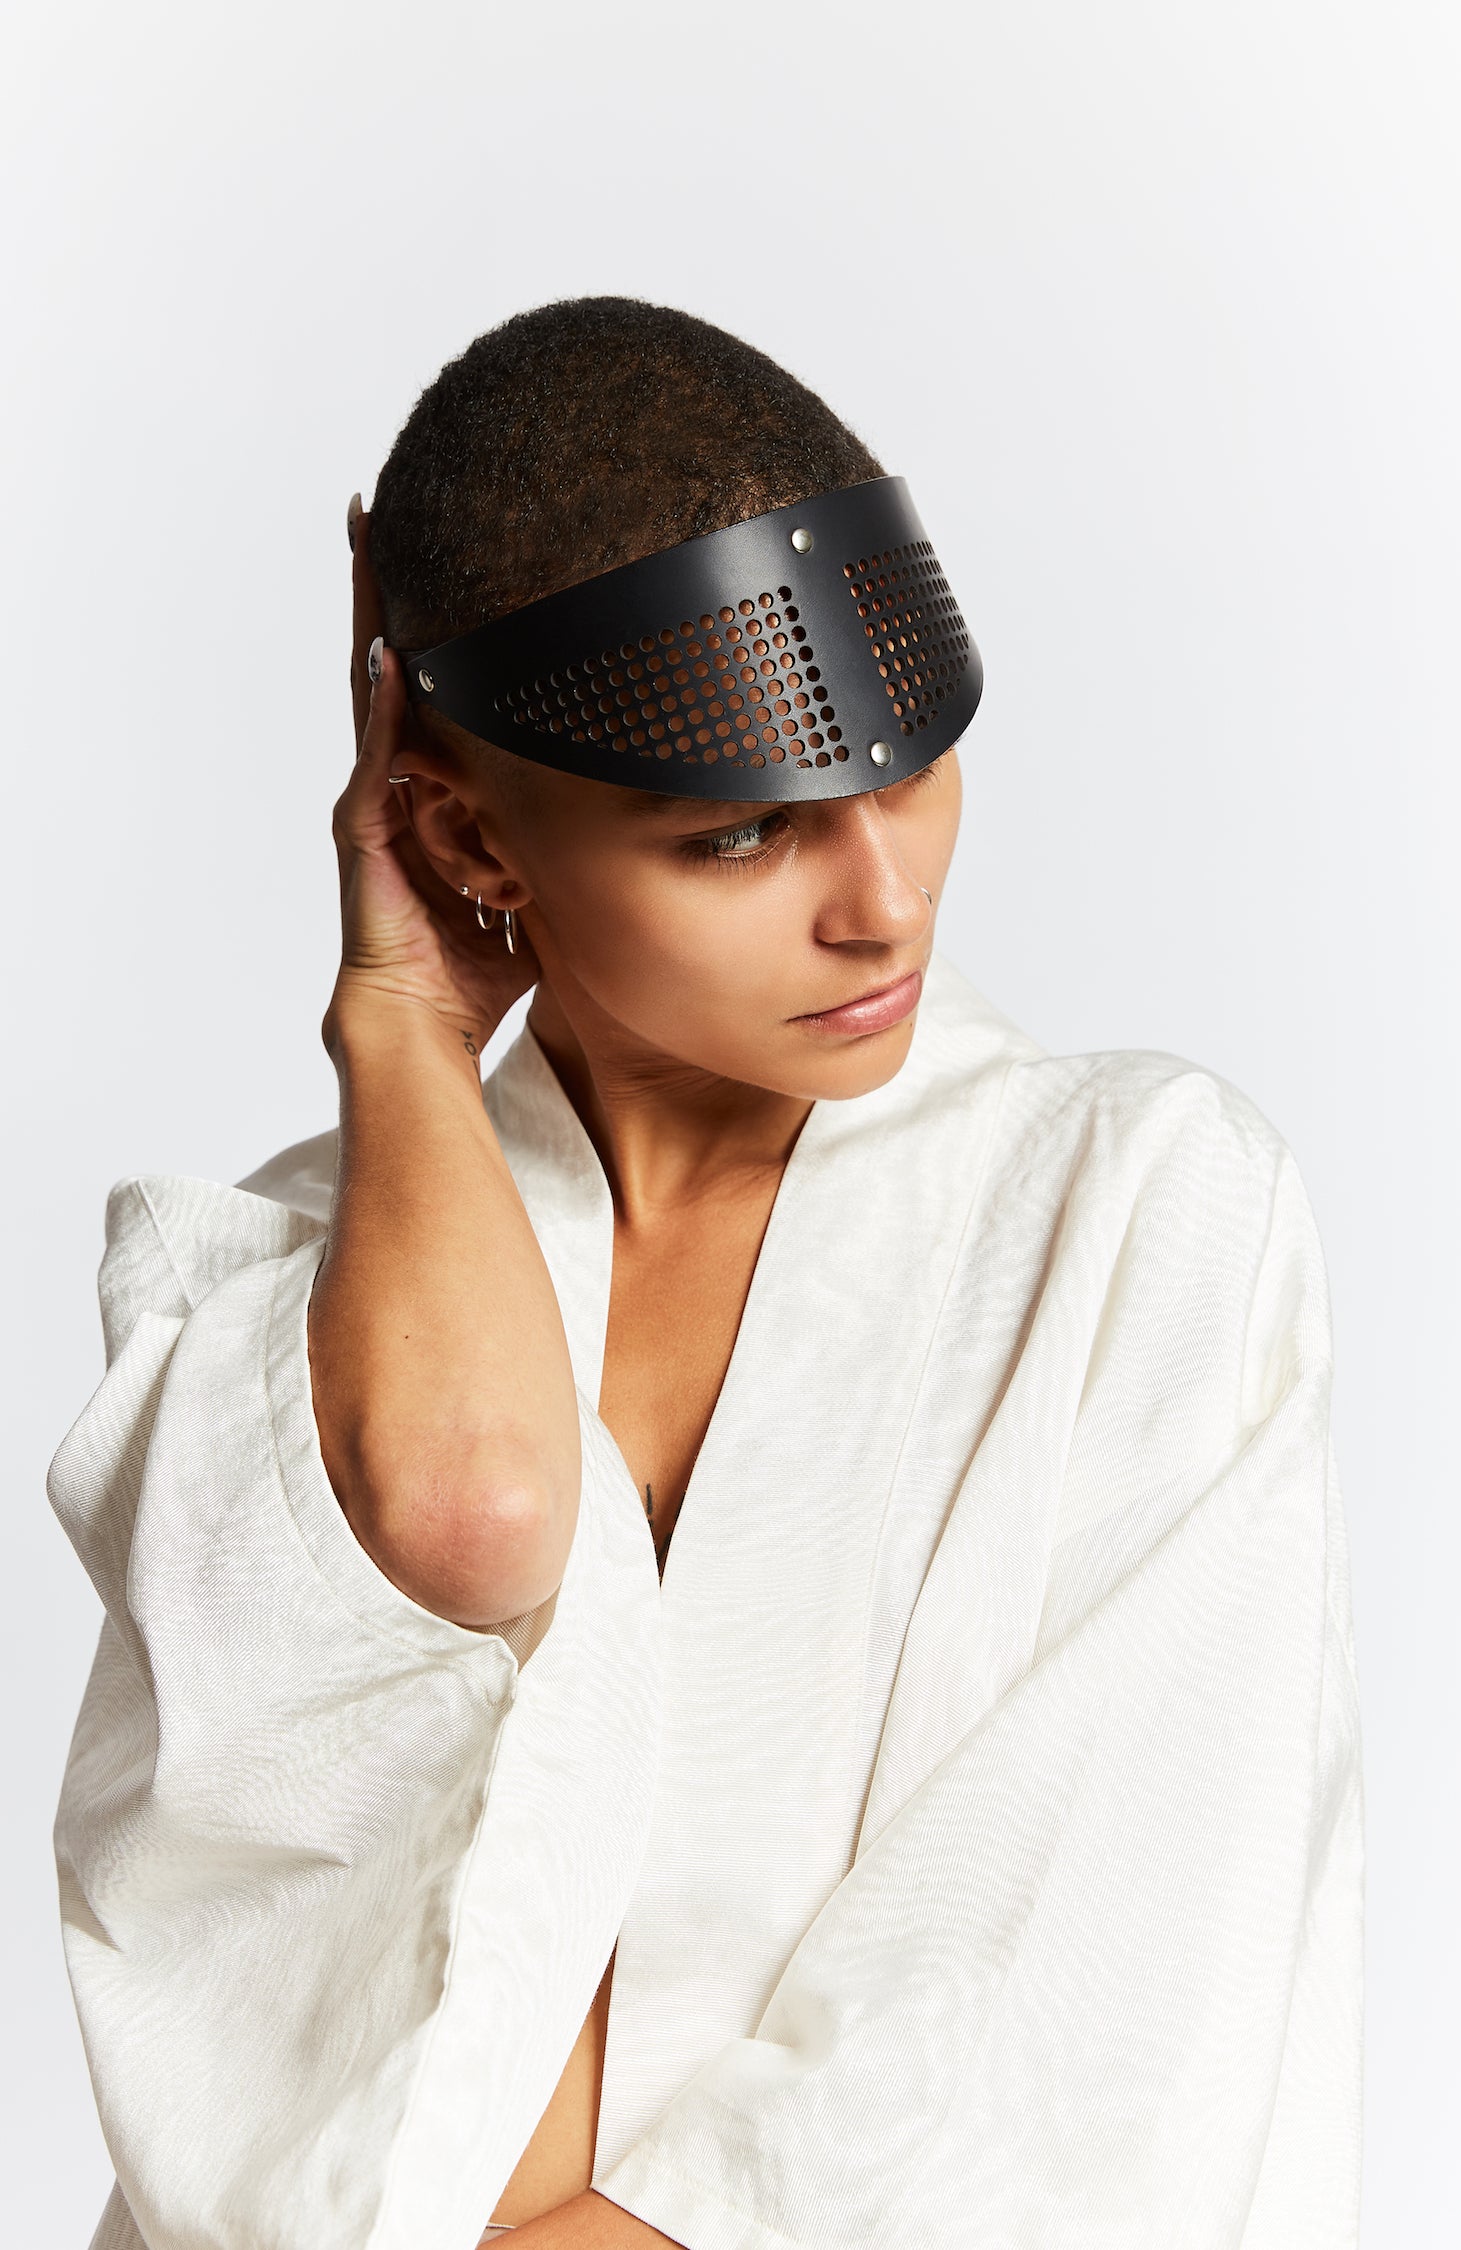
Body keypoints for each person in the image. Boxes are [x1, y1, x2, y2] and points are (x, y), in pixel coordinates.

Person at [48, 298, 1364, 2250]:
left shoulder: (1131, 1210)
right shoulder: (282, 1276)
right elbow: (469, 1519)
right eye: (743, 833)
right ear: (464, 832)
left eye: (914, 771)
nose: (883, 902)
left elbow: (1059, 2035)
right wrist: (402, 1021)